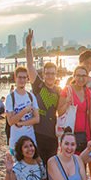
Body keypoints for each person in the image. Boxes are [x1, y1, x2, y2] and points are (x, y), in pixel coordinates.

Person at [26, 29, 61, 165]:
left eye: (53, 73)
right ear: (44, 73)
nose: (50, 76)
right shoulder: (38, 86)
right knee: (39, 164)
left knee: (51, 165)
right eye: (47, 73)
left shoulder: (59, 91)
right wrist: (28, 45)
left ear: (56, 74)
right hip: (38, 133)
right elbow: (30, 65)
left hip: (52, 135)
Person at [6, 67, 40, 156]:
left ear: (27, 79)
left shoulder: (31, 96)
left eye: (24, 77)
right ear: (15, 78)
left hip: (30, 140)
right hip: (16, 142)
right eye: (19, 77)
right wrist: (25, 110)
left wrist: (21, 123)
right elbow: (10, 122)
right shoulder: (10, 98)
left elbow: (37, 119)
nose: (22, 80)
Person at [58, 66, 91, 154]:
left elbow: (90, 114)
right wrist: (67, 103)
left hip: (85, 133)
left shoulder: (88, 92)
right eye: (78, 75)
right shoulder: (67, 90)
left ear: (87, 78)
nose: (81, 78)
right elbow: (60, 112)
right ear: (74, 77)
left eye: (84, 76)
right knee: (68, 161)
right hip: (70, 131)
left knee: (82, 163)